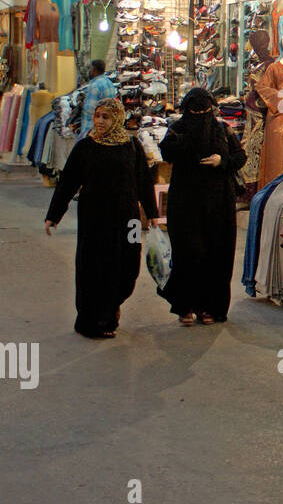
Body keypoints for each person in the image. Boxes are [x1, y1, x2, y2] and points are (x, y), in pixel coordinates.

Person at [45, 98, 158, 338]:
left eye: (106, 117)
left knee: (129, 264)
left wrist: (153, 214)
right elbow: (68, 183)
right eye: (97, 116)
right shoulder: (86, 147)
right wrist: (54, 215)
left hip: (130, 220)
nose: (100, 122)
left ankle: (112, 306)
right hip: (94, 219)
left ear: (117, 118)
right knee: (94, 267)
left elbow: (144, 183)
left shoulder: (131, 146)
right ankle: (92, 320)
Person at [157, 88, 247, 326]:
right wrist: (186, 143)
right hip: (185, 203)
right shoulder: (178, 129)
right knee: (188, 253)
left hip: (218, 203)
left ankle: (210, 307)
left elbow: (240, 157)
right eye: (195, 111)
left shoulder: (222, 130)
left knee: (216, 254)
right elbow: (166, 152)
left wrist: (221, 161)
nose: (199, 117)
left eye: (203, 111)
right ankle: (185, 306)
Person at [79, 59, 117, 138]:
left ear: (94, 70)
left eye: (90, 69)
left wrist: (82, 105)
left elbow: (91, 109)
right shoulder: (109, 83)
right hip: (106, 125)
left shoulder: (95, 85)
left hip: (92, 128)